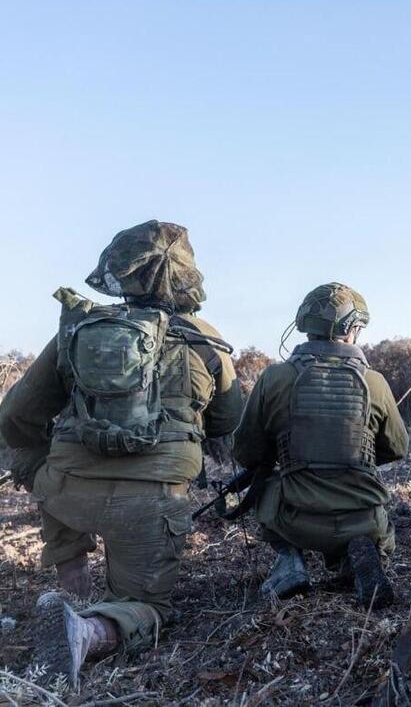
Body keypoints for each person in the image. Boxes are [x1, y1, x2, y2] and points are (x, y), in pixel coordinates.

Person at [0, 221, 242, 688]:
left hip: (65, 491)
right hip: (149, 501)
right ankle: (87, 632)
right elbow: (229, 424)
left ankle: (72, 586)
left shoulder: (81, 328)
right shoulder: (207, 341)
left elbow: (13, 415)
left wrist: (35, 464)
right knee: (148, 606)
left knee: (50, 473)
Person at [232, 283, 408, 608]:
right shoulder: (375, 382)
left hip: (298, 521)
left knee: (267, 484)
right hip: (364, 521)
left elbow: (246, 453)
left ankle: (290, 562)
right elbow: (397, 447)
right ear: (353, 329)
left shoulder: (274, 378)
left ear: (304, 325)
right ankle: (351, 559)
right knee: (369, 517)